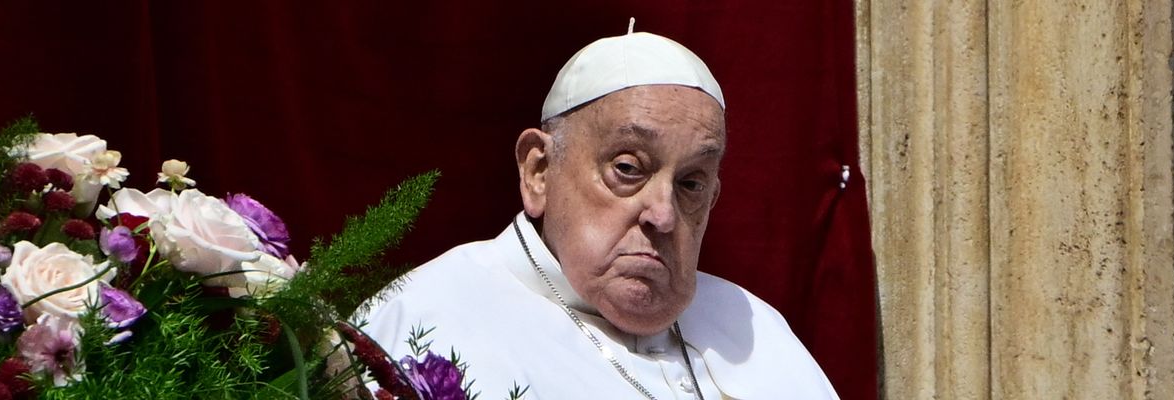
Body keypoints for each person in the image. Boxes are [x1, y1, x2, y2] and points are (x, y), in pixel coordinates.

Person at [355, 28, 840, 400]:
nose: (662, 214)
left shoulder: (754, 327)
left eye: (690, 183)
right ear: (538, 171)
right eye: (628, 168)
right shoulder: (429, 315)